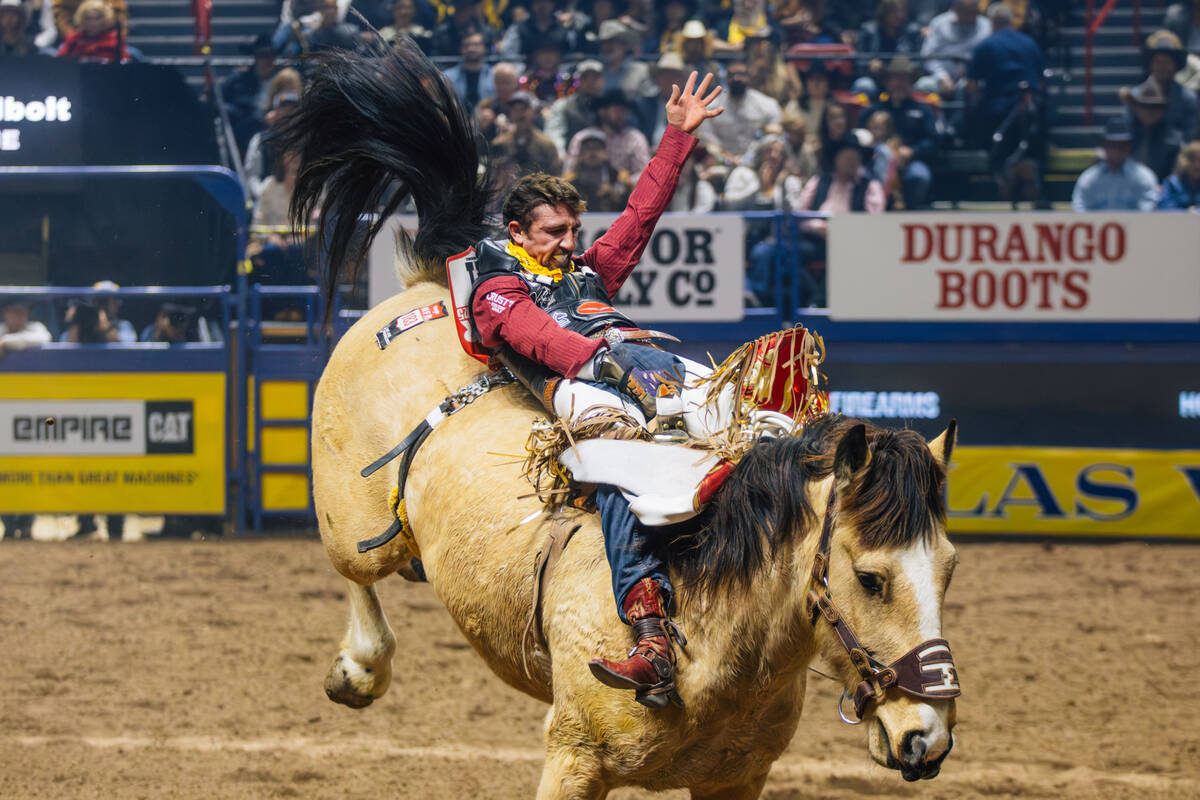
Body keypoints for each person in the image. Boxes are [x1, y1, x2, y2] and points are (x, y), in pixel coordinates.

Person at [466, 71, 724, 705]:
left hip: (643, 360)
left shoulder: (588, 273)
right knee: (612, 457)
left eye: (574, 231)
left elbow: (641, 216)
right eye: (554, 232)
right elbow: (540, 341)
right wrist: (610, 363)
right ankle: (650, 637)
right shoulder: (494, 289)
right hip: (579, 385)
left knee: (738, 408)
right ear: (517, 233)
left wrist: (676, 138)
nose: (569, 243)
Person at [795, 130, 885, 305]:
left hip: (853, 242)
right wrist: (818, 227)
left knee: (843, 254)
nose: (850, 162)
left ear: (860, 161)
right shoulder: (818, 181)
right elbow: (800, 214)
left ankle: (819, 303)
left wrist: (843, 230)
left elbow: (874, 222)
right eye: (846, 157)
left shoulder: (870, 187)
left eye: (854, 158)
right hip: (816, 240)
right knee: (780, 251)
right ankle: (806, 298)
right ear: (836, 158)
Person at [866, 56, 937, 209]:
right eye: (895, 78)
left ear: (911, 82)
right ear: (887, 81)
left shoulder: (923, 110)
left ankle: (909, 215)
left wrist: (911, 151)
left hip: (910, 161)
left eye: (904, 79)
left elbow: (932, 140)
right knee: (864, 176)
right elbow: (862, 135)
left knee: (919, 176)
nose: (899, 83)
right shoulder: (874, 110)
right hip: (877, 159)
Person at [1071, 116, 1159, 212]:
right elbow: (1079, 211)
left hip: (1135, 227)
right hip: (1099, 226)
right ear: (1104, 146)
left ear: (1129, 147)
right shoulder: (1089, 179)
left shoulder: (1143, 177)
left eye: (1122, 145)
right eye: (1112, 144)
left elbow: (1148, 214)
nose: (1117, 150)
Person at [701, 58, 781, 163]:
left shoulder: (767, 105)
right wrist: (728, 157)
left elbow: (774, 133)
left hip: (757, 162)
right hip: (722, 162)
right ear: (726, 78)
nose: (737, 78)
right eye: (732, 75)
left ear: (749, 77)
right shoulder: (711, 108)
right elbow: (708, 140)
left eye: (741, 74)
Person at [564, 89, 650, 177]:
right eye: (617, 110)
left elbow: (644, 173)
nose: (622, 114)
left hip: (627, 189)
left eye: (624, 110)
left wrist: (625, 183)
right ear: (602, 111)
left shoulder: (635, 138)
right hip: (585, 188)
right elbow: (568, 172)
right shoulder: (582, 138)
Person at [220, 34, 279, 155]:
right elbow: (220, 102)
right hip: (245, 133)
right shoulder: (239, 79)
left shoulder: (283, 80)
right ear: (255, 58)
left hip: (275, 131)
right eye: (261, 56)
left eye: (269, 56)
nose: (265, 61)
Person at [921, 0, 992, 96]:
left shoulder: (986, 26)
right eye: (969, 11)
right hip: (940, 78)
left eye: (975, 11)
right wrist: (942, 77)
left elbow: (990, 57)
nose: (973, 16)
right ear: (956, 9)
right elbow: (927, 55)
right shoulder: (939, 24)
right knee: (923, 85)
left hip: (973, 79)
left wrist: (973, 76)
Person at [490, 91, 562, 176]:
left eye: (524, 109)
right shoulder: (499, 144)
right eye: (515, 109)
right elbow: (493, 176)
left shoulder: (546, 145)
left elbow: (556, 177)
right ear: (510, 113)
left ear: (533, 112)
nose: (520, 114)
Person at [1126, 77, 1185, 181]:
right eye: (1144, 106)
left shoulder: (1174, 141)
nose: (1149, 112)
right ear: (1136, 108)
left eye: (1155, 107)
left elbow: (1176, 175)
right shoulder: (1124, 136)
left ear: (1163, 110)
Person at [562, 130, 634, 212]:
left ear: (606, 152)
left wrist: (613, 194)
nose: (592, 152)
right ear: (580, 154)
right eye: (587, 148)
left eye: (597, 147)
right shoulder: (569, 182)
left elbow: (630, 208)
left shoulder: (620, 178)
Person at [545, 59, 605, 154]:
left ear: (603, 80)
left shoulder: (610, 106)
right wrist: (561, 155)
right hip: (572, 160)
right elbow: (554, 134)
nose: (590, 82)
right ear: (578, 81)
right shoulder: (563, 104)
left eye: (595, 77)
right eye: (585, 78)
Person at [442, 31, 495, 112]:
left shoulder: (494, 76)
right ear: (460, 49)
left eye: (476, 45)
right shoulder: (447, 76)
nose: (471, 49)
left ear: (485, 48)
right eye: (466, 45)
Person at [56, 0, 126, 61]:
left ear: (105, 19)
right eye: (88, 18)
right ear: (82, 19)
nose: (93, 23)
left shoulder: (115, 40)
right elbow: (60, 61)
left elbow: (124, 63)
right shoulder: (73, 39)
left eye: (97, 18)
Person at [1156, 139, 1200, 210]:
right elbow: (1164, 207)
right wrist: (1187, 213)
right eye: (1192, 159)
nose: (1197, 165)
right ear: (1183, 160)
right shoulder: (1172, 183)